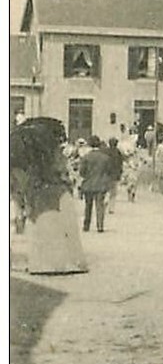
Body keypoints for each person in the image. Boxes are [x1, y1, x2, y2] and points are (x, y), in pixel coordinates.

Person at [11, 117, 87, 274]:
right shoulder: (54, 160)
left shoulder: (22, 157)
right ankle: (64, 262)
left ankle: (46, 262)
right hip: (52, 197)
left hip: (42, 199)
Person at [78, 135, 115, 233]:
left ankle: (86, 225)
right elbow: (109, 171)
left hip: (88, 184)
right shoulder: (105, 158)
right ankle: (100, 226)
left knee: (88, 206)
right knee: (100, 206)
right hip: (101, 184)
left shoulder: (86, 157)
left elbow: (81, 172)